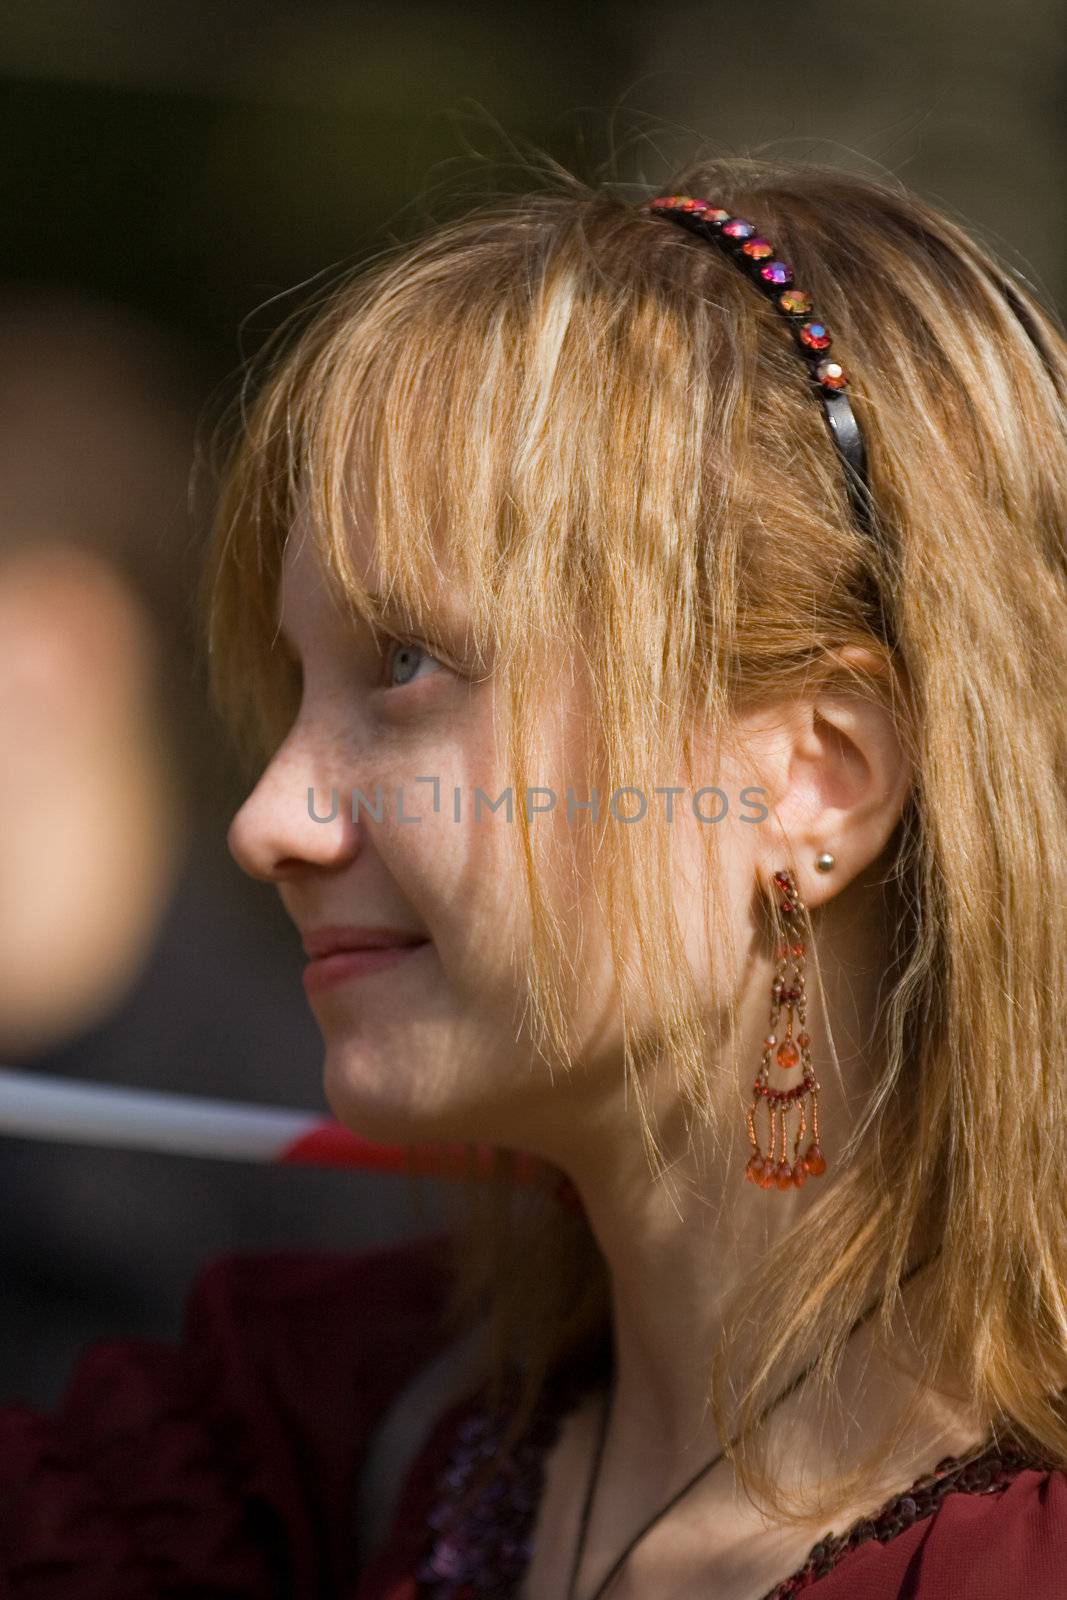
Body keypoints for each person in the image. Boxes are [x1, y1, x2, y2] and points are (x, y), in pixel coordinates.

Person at [4, 150, 1067, 1599]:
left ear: (816, 776)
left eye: (408, 666)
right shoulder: (295, 1441)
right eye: (297, 685)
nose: (271, 820)